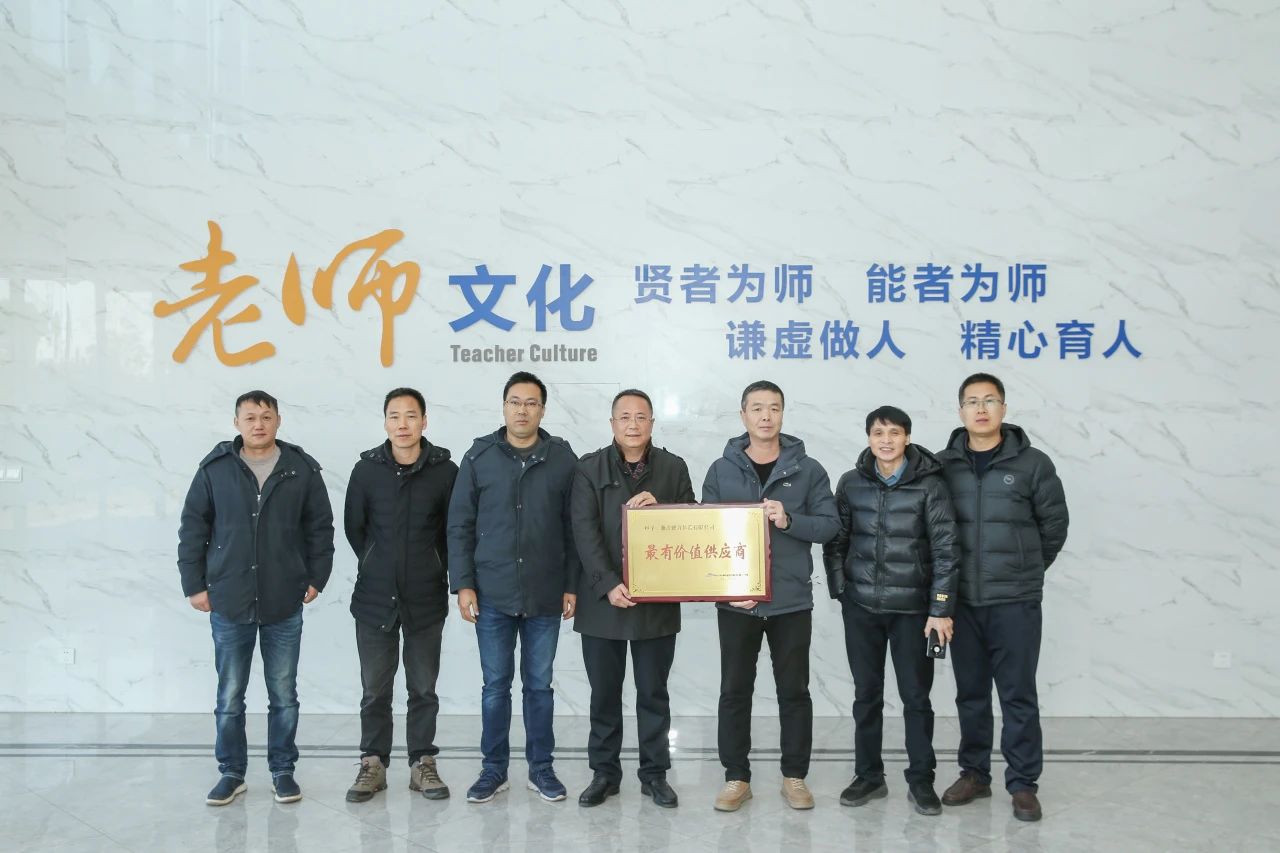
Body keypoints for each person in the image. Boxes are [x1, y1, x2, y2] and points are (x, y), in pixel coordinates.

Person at [177, 390, 334, 806]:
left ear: (278, 420)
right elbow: (193, 528)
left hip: (284, 598)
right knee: (230, 696)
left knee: (283, 694)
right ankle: (231, 773)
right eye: (250, 417)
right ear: (237, 423)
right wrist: (194, 584)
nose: (258, 424)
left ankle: (283, 770)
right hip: (230, 598)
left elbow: (321, 527)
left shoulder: (300, 468)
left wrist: (317, 577)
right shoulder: (215, 469)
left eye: (266, 416)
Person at [936, 373, 1069, 822]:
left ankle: (1023, 783)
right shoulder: (942, 466)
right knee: (970, 694)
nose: (981, 409)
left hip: (1015, 601)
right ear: (960, 411)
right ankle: (975, 774)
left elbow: (1054, 527)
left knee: (1017, 694)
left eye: (990, 400)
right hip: (963, 603)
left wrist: (1025, 570)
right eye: (972, 401)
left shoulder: (1033, 464)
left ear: (1004, 409)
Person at [701, 380, 840, 812]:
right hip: (737, 604)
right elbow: (706, 535)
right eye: (757, 408)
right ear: (743, 415)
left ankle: (794, 777)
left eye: (774, 408)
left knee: (794, 692)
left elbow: (830, 526)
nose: (766, 416)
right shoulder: (721, 470)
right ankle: (736, 778)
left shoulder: (809, 469)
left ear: (783, 414)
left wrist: (789, 519)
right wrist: (729, 589)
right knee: (734, 691)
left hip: (790, 601)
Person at [447, 371, 580, 804]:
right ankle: (493, 770)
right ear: (503, 406)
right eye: (515, 402)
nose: (523, 410)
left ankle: (542, 769)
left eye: (531, 403)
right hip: (492, 592)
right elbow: (459, 524)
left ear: (543, 410)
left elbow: (574, 527)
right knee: (494, 687)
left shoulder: (562, 459)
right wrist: (463, 584)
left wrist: (572, 584)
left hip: (545, 592)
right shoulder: (479, 456)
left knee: (539, 687)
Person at [822, 405, 958, 816]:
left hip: (913, 611)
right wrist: (841, 589)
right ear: (869, 438)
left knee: (916, 697)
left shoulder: (930, 485)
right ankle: (868, 776)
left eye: (894, 433)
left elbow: (946, 549)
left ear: (907, 438)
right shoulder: (851, 483)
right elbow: (836, 540)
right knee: (866, 695)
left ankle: (921, 780)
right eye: (878, 433)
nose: (886, 440)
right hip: (861, 607)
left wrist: (940, 607)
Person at [571, 389, 696, 809]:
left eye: (641, 417)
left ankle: (655, 774)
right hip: (602, 602)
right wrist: (607, 583)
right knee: (604, 695)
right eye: (624, 417)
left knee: (653, 694)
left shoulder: (674, 468)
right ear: (612, 424)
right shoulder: (588, 468)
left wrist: (663, 509)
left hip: (656, 601)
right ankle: (604, 774)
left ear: (652, 423)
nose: (632, 424)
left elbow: (693, 524)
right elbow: (583, 531)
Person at [343, 388, 458, 803]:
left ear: (424, 421)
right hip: (374, 598)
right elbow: (355, 528)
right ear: (385, 422)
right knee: (375, 689)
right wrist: (377, 561)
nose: (403, 424)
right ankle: (372, 764)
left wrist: (434, 566)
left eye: (411, 416)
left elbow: (453, 531)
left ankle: (422, 763)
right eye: (395, 416)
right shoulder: (366, 471)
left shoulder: (446, 471)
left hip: (425, 598)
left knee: (423, 689)